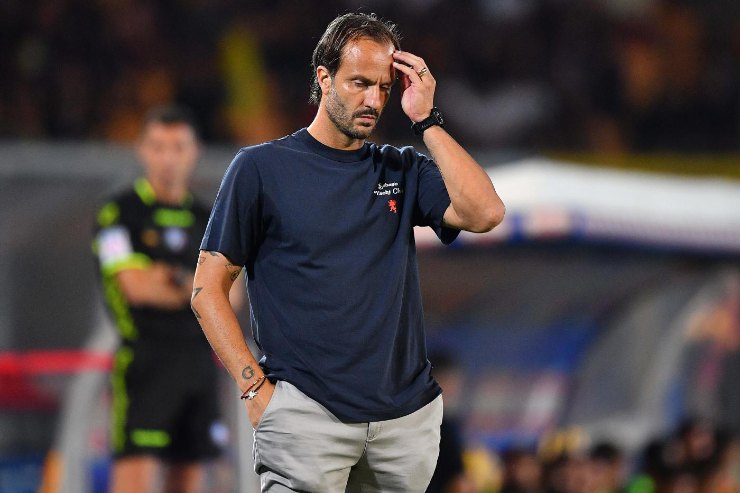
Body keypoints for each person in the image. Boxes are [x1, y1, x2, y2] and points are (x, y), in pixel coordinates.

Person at [191, 12, 505, 492]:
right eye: (360, 83)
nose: (373, 100)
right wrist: (253, 387)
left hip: (403, 425)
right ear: (324, 77)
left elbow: (486, 212)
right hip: (306, 418)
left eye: (384, 88)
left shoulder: (401, 168)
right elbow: (206, 290)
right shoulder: (260, 169)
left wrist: (427, 119)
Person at [93, 106, 221, 493]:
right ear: (142, 150)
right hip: (145, 364)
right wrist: (196, 284)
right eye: (158, 147)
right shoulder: (120, 214)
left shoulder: (209, 218)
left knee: (190, 480)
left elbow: (230, 296)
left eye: (178, 147)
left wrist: (170, 277)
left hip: (199, 364)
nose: (168, 158)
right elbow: (136, 287)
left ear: (195, 151)